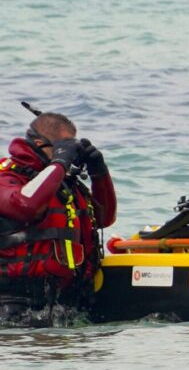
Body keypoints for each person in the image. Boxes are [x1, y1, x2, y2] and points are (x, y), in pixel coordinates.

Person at [0, 104, 116, 326]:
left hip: (61, 304)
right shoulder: (7, 177)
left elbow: (103, 218)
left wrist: (99, 171)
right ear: (40, 144)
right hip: (12, 307)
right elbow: (25, 204)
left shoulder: (64, 186)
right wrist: (59, 162)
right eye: (64, 148)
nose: (70, 156)